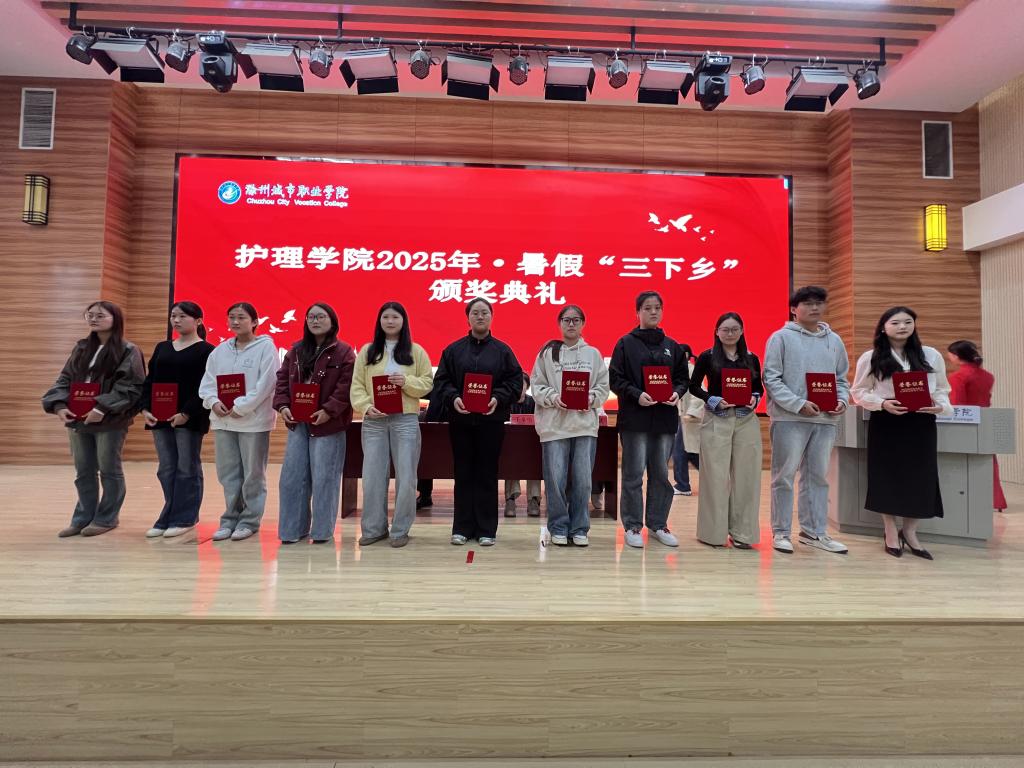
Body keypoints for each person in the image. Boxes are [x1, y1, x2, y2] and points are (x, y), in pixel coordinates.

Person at [851, 307, 953, 559]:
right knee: (887, 476)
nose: (902, 327)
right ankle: (889, 530)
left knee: (921, 478)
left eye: (908, 322)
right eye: (895, 322)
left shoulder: (930, 355)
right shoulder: (871, 357)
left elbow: (942, 389)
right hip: (887, 422)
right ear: (883, 327)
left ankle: (910, 532)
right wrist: (882, 403)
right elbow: (859, 391)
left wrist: (941, 406)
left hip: (921, 423)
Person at [43, 301, 146, 538]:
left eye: (100, 315)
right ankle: (82, 517)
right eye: (89, 315)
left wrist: (101, 407)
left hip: (110, 420)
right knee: (83, 471)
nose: (93, 319)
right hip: (78, 419)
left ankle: (107, 517)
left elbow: (131, 386)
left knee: (109, 469)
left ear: (115, 319)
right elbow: (64, 379)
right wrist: (60, 405)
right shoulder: (81, 347)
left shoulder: (128, 350)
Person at [763, 286, 850, 555]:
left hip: (825, 420)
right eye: (808, 303)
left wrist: (842, 400)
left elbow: (841, 379)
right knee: (784, 477)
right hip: (789, 418)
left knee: (817, 477)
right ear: (794, 309)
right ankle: (781, 532)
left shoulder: (834, 340)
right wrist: (798, 404)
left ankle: (814, 532)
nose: (814, 308)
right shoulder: (780, 338)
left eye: (819, 303)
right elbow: (771, 378)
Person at [432, 298, 523, 546]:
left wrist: (497, 398)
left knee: (487, 473)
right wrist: (454, 398)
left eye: (484, 313)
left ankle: (486, 529)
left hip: (491, 422)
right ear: (468, 318)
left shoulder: (503, 351)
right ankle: (462, 527)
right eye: (475, 313)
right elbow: (441, 381)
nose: (480, 317)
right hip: (460, 421)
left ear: (491, 317)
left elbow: (515, 382)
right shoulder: (453, 350)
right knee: (463, 472)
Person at [609, 291, 691, 548]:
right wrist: (637, 394)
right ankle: (633, 526)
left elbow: (683, 379)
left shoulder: (673, 346)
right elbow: (615, 379)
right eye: (647, 308)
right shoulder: (625, 344)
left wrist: (677, 393)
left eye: (657, 307)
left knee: (660, 475)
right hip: (635, 419)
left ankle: (658, 524)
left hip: (664, 419)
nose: (653, 312)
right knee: (633, 475)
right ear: (638, 313)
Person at [350, 301, 433, 548]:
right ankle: (373, 529)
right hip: (374, 421)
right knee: (373, 476)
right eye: (385, 316)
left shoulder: (416, 351)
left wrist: (406, 382)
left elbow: (427, 383)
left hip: (405, 419)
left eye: (395, 317)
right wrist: (366, 406)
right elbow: (356, 385)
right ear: (379, 321)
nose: (390, 321)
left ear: (403, 321)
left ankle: (400, 530)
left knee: (406, 476)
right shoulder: (367, 351)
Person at [274, 302, 355, 544]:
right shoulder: (296, 350)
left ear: (333, 322)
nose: (315, 321)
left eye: (320, 317)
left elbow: (346, 387)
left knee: (325, 479)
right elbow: (281, 380)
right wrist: (283, 406)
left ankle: (321, 532)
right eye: (311, 317)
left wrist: (329, 410)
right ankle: (292, 531)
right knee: (292, 479)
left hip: (328, 424)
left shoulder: (344, 352)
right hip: (298, 423)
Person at [198, 302, 279, 542]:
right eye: (231, 317)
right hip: (223, 421)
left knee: (253, 474)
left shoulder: (266, 348)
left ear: (254, 322)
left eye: (241, 317)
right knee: (228, 474)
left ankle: (249, 521)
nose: (235, 321)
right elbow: (207, 384)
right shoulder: (219, 351)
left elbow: (266, 384)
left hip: (253, 422)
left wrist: (241, 406)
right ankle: (229, 519)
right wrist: (213, 402)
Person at [530, 305, 609, 546]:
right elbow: (537, 386)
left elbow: (603, 387)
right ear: (560, 323)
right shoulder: (547, 353)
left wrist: (590, 398)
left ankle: (580, 528)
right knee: (555, 479)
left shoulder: (593, 354)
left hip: (584, 426)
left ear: (583, 323)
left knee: (583, 480)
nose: (571, 324)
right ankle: (558, 526)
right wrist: (554, 397)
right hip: (554, 426)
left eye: (576, 320)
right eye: (566, 320)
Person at [689, 312, 764, 549]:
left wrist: (754, 398)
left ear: (742, 331)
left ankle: (743, 534)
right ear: (717, 332)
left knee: (747, 477)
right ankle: (713, 534)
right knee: (715, 478)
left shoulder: (751, 358)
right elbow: (694, 386)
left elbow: (758, 388)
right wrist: (712, 400)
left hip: (745, 420)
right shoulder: (707, 356)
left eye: (734, 329)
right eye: (725, 329)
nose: (730, 334)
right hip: (717, 419)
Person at [140, 301, 215, 538]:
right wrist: (145, 408)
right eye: (173, 316)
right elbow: (150, 380)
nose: (176, 320)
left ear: (198, 321)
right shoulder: (163, 347)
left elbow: (205, 386)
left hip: (189, 418)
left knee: (187, 467)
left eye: (182, 316)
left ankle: (185, 517)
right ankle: (169, 514)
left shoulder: (207, 350)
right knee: (166, 468)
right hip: (159, 417)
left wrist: (186, 413)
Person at [946, 340, 1007, 512]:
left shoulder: (958, 377)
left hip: (965, 424)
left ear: (956, 356)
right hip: (984, 422)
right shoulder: (987, 376)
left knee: (961, 463)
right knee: (988, 461)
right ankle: (996, 501)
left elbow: (957, 405)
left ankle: (963, 499)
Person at [504, 373, 542, 518]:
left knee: (534, 465)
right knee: (510, 464)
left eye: (523, 385)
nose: (519, 388)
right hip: (511, 448)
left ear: (527, 387)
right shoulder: (506, 402)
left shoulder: (534, 403)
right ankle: (510, 499)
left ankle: (533, 500)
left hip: (531, 447)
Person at [671, 344, 700, 495]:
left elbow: (699, 392)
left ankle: (682, 485)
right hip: (682, 416)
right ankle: (716, 479)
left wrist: (692, 412)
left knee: (680, 451)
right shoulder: (681, 370)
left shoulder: (690, 370)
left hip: (689, 418)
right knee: (687, 452)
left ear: (686, 355)